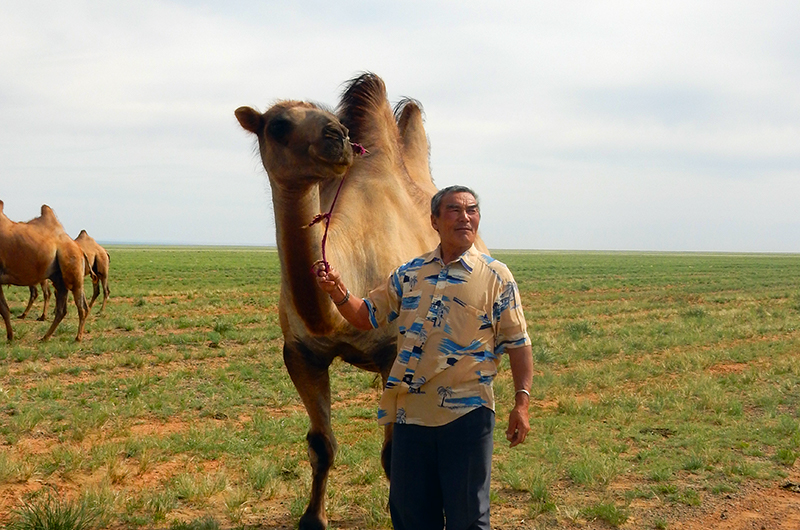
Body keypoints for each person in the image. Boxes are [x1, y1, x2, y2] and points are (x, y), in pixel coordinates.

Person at [314, 185, 533, 530]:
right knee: (412, 517)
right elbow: (366, 315)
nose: (465, 217)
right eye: (454, 210)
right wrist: (338, 290)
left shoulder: (496, 277)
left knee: (468, 519)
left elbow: (519, 343)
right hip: (409, 418)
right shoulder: (410, 274)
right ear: (433, 220)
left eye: (472, 210)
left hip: (467, 416)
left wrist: (521, 402)